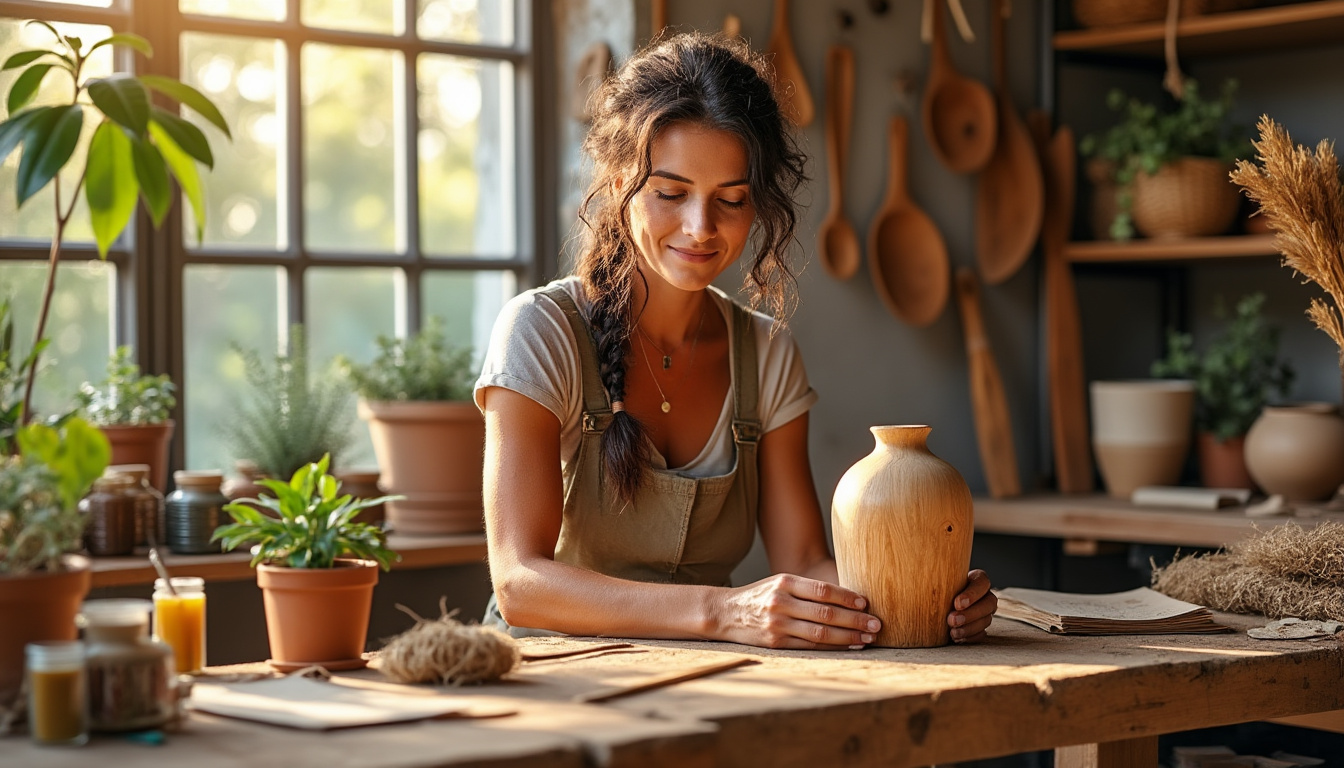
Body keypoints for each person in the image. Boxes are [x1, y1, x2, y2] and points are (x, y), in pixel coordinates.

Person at [474, 31, 996, 649]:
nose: (701, 228)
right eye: (671, 193)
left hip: (708, 681)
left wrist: (923, 595)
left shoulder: (767, 354)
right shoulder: (541, 331)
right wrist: (724, 612)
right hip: (546, 680)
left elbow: (803, 558)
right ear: (619, 186)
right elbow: (520, 582)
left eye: (731, 199)